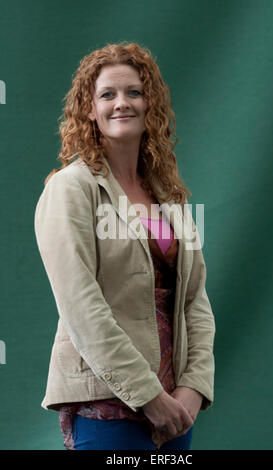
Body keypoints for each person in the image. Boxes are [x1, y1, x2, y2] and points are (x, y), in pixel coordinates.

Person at [34, 41, 216, 451]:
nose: (122, 103)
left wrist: (193, 387)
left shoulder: (170, 195)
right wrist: (148, 397)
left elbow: (195, 300)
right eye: (107, 94)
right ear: (89, 109)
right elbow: (81, 306)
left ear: (150, 103)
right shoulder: (70, 188)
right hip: (107, 406)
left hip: (176, 411)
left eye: (134, 92)